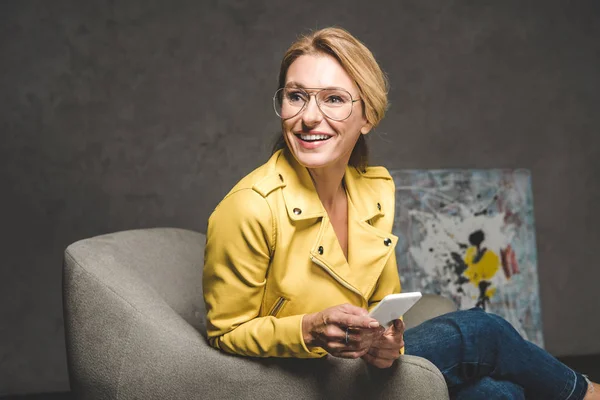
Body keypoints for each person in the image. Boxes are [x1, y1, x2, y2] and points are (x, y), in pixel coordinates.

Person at [202, 27, 599, 399]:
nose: (308, 116)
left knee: (499, 394)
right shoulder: (250, 205)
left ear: (368, 116)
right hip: (303, 380)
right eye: (296, 96)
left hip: (360, 371)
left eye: (334, 99)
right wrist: (309, 328)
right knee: (482, 330)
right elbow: (226, 333)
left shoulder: (371, 192)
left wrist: (388, 341)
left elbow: (383, 309)